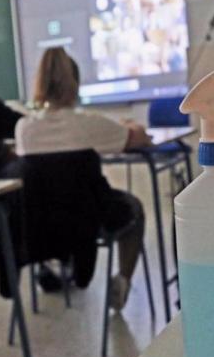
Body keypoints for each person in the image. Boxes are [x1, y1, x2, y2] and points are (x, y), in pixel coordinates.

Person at [15, 48, 152, 310]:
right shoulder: (89, 124)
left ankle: (56, 263)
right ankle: (122, 282)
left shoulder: (24, 129)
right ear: (74, 84)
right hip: (90, 219)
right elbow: (137, 137)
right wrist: (129, 126)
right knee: (135, 210)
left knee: (62, 198)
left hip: (43, 224)